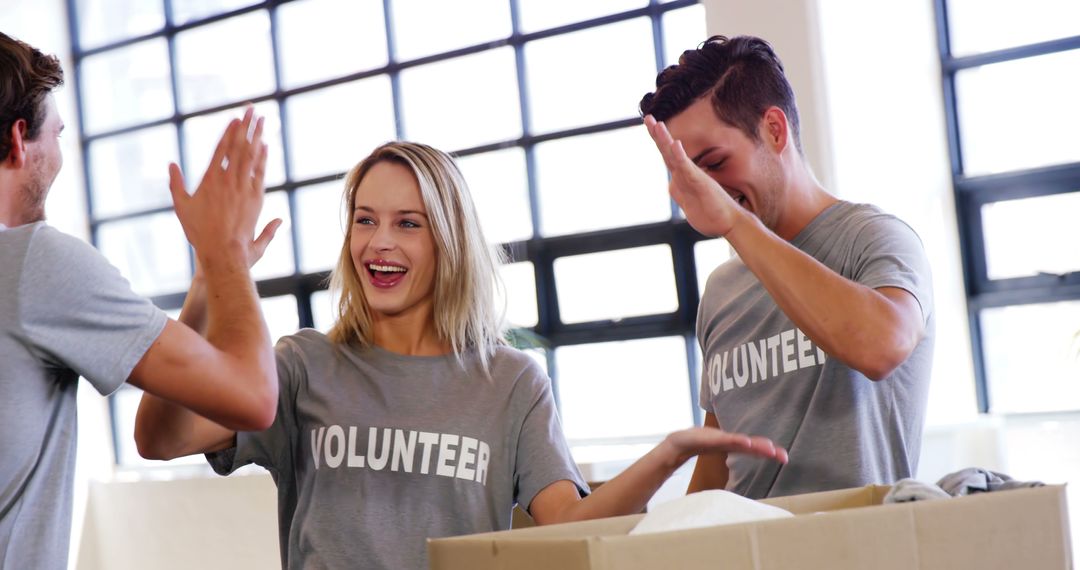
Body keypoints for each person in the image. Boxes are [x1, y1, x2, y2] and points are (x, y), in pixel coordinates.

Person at [134, 140, 790, 570]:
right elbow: (160, 438)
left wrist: (668, 455)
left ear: (447, 240)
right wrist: (205, 286)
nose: (378, 243)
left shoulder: (509, 381)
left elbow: (567, 522)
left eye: (407, 223)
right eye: (364, 219)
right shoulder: (302, 366)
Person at [0, 32, 281, 569]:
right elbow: (253, 399)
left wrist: (207, 280)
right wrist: (225, 255)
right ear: (20, 138)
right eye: (56, 134)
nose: (58, 154)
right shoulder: (34, 262)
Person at [639, 35, 935, 499]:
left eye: (714, 163)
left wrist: (735, 223)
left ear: (775, 131)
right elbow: (718, 467)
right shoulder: (722, 291)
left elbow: (882, 346)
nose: (704, 188)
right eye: (687, 174)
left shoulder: (874, 237)